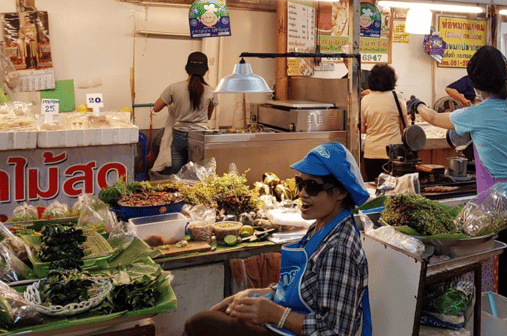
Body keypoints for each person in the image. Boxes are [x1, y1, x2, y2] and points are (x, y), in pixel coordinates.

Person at [407, 46, 507, 319]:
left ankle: (500, 325)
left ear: (475, 82)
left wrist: (417, 104)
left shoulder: (477, 114)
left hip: (499, 207)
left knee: (501, 275)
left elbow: (435, 118)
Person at [184, 143, 372, 336]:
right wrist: (260, 294)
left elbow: (335, 331)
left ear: (341, 192)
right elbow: (301, 287)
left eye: (312, 187)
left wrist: (276, 314)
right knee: (209, 320)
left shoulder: (339, 248)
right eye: (300, 183)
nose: (301, 194)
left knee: (200, 324)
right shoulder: (320, 227)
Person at [153, 52, 218, 174]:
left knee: (178, 174)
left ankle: (178, 192)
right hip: (200, 136)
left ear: (187, 68)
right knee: (199, 174)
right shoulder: (211, 91)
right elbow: (208, 117)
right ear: (205, 70)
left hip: (180, 135)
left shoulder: (174, 88)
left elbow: (156, 108)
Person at [360, 64, 407, 181]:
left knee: (374, 188)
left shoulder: (365, 100)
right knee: (395, 189)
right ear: (392, 80)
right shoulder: (398, 97)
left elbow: (362, 129)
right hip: (394, 153)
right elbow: (405, 127)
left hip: (371, 153)